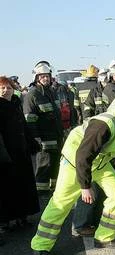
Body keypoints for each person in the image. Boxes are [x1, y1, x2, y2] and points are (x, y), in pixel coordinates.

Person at [30, 98, 115, 255]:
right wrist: (85, 186)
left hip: (99, 163)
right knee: (60, 203)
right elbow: (83, 156)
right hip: (74, 163)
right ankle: (40, 246)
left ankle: (104, 237)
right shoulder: (104, 125)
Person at [0, 76, 40, 238]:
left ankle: (22, 217)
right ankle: (4, 222)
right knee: (5, 190)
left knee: (23, 186)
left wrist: (32, 143)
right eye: (2, 88)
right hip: (4, 155)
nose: (5, 90)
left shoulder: (16, 103)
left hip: (20, 154)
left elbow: (24, 126)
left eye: (8, 87)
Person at [23, 61, 64, 197]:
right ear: (36, 78)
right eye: (42, 76)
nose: (45, 78)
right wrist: (37, 140)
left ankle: (54, 191)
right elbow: (30, 121)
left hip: (56, 138)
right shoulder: (32, 95)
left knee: (55, 167)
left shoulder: (51, 92)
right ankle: (42, 195)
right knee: (43, 169)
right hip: (44, 142)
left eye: (47, 75)